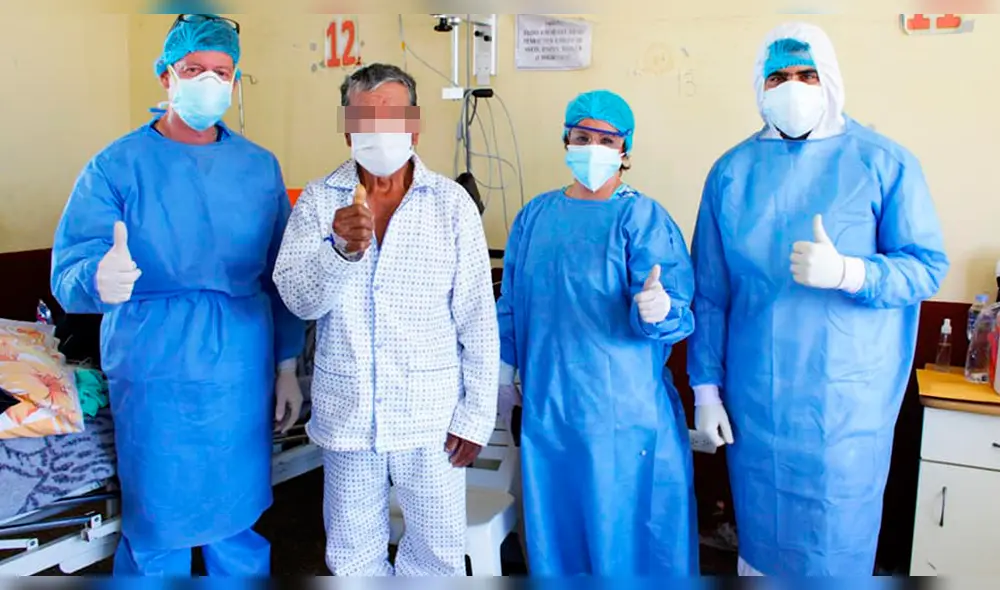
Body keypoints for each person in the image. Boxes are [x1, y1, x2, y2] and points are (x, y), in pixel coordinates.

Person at [687, 22, 949, 576]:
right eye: (778, 76)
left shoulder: (884, 163)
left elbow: (926, 268)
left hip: (847, 407)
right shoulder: (730, 174)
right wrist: (705, 390)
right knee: (761, 546)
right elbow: (710, 294)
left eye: (807, 74)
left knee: (835, 546)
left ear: (830, 78)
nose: (793, 87)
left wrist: (852, 273)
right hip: (756, 405)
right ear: (760, 86)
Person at [50, 14, 305, 576]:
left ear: (236, 79)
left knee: (236, 521)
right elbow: (67, 269)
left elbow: (280, 276)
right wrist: (97, 278)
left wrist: (286, 366)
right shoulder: (115, 166)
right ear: (166, 76)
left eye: (222, 70)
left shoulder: (259, 168)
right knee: (157, 523)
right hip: (154, 360)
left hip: (240, 365)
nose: (209, 81)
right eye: (194, 69)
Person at [273, 63, 499, 576]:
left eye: (393, 117)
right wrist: (339, 249)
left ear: (415, 126)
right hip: (349, 417)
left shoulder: (450, 205)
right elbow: (298, 300)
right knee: (352, 559)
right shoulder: (318, 200)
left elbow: (478, 322)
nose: (379, 131)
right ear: (348, 127)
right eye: (365, 118)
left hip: (433, 421)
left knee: (437, 558)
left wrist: (475, 415)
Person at [495, 90, 699, 576]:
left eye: (606, 139)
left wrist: (660, 308)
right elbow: (512, 303)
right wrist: (504, 375)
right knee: (558, 535)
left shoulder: (641, 217)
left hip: (624, 415)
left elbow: (674, 308)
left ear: (625, 150)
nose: (592, 147)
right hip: (551, 410)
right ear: (566, 140)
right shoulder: (535, 216)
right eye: (582, 137)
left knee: (626, 537)